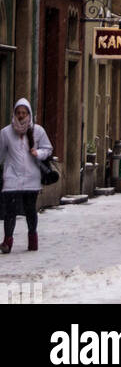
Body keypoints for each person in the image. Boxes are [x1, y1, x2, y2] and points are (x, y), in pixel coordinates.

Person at [0, 98, 53, 253]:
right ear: (14, 114)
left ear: (29, 114)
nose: (21, 116)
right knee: (10, 211)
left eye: (24, 113)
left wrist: (39, 153)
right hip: (11, 177)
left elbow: (48, 148)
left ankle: (32, 239)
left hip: (32, 178)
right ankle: (7, 241)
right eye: (18, 113)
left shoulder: (38, 131)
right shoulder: (5, 133)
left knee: (30, 210)